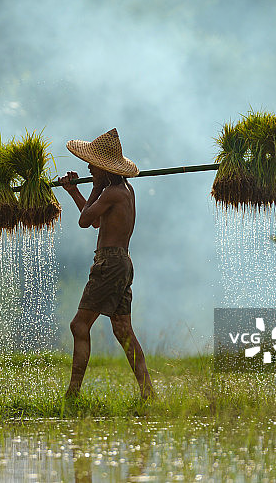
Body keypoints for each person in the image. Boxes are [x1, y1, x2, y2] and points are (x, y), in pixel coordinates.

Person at [58, 128, 155, 400]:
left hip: (110, 263)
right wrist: (76, 191)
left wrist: (93, 187)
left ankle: (73, 394)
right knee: (122, 328)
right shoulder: (124, 190)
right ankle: (147, 392)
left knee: (79, 325)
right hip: (121, 262)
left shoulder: (112, 192)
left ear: (103, 168)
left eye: (93, 164)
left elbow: (84, 220)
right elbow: (96, 220)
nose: (88, 166)